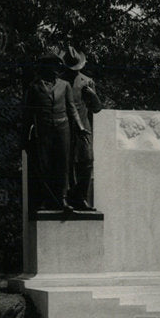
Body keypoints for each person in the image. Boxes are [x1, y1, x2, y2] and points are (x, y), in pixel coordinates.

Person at [22, 51, 88, 212]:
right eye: (51, 65)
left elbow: (71, 108)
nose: (55, 69)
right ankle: (46, 199)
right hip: (43, 130)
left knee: (63, 164)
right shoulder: (34, 87)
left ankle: (63, 198)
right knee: (45, 164)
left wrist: (80, 126)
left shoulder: (64, 85)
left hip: (62, 128)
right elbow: (27, 114)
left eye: (56, 66)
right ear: (44, 67)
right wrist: (24, 136)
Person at [61, 45, 102, 211]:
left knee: (87, 160)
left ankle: (81, 197)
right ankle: (67, 198)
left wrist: (93, 95)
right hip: (65, 126)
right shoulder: (60, 82)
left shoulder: (88, 81)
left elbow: (97, 108)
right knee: (66, 164)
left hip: (84, 127)